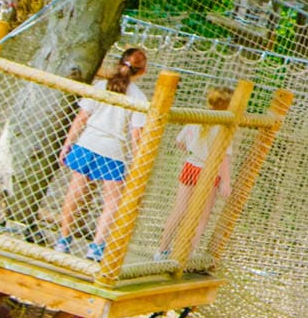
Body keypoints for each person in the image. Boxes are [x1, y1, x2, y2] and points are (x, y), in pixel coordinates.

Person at [52, 46, 148, 261]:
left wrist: (68, 144)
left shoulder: (101, 86)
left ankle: (63, 240)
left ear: (119, 63)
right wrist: (137, 162)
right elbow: (136, 135)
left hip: (87, 143)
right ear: (142, 71)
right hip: (112, 152)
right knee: (112, 201)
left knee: (75, 193)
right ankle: (96, 247)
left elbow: (81, 118)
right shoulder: (140, 99)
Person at [158, 85, 238, 260]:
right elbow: (224, 157)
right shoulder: (225, 126)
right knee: (201, 216)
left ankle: (162, 250)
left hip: (190, 166)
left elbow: (180, 142)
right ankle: (186, 254)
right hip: (209, 172)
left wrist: (194, 149)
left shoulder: (196, 119)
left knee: (179, 209)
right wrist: (226, 181)